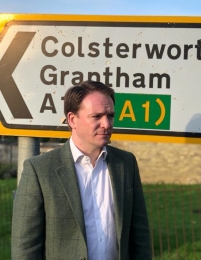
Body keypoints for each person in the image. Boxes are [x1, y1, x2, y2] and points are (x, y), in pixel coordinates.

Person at [11, 80, 152, 260]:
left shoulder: (126, 163)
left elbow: (140, 235)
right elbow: (25, 246)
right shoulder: (40, 170)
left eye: (110, 116)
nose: (106, 124)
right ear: (72, 119)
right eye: (97, 116)